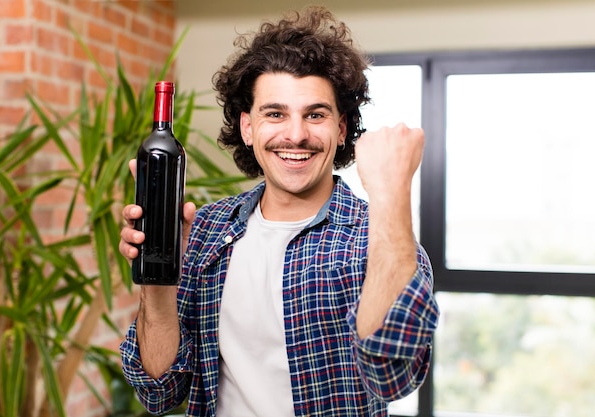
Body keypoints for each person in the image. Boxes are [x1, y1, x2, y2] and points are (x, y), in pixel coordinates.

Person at [119, 5, 439, 417]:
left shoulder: (376, 239)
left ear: (341, 129)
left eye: (315, 115)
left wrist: (391, 190)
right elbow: (159, 393)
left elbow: (392, 378)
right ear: (248, 128)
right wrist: (160, 282)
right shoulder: (205, 231)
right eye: (275, 114)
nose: (295, 134)